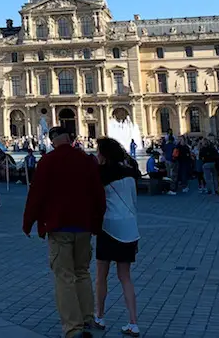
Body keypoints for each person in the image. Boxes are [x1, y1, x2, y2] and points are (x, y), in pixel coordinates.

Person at [23, 126, 106, 338]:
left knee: (64, 277)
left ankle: (73, 328)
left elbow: (36, 194)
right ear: (70, 139)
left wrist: (29, 222)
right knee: (82, 272)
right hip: (84, 226)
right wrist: (96, 222)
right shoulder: (87, 160)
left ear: (52, 141)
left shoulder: (48, 161)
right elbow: (99, 194)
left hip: (59, 226)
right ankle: (88, 318)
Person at [93, 138, 141, 337]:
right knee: (125, 278)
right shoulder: (130, 175)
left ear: (104, 155)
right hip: (129, 228)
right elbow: (134, 202)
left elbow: (97, 203)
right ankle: (133, 322)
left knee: (101, 276)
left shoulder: (101, 176)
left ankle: (100, 316)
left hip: (109, 228)